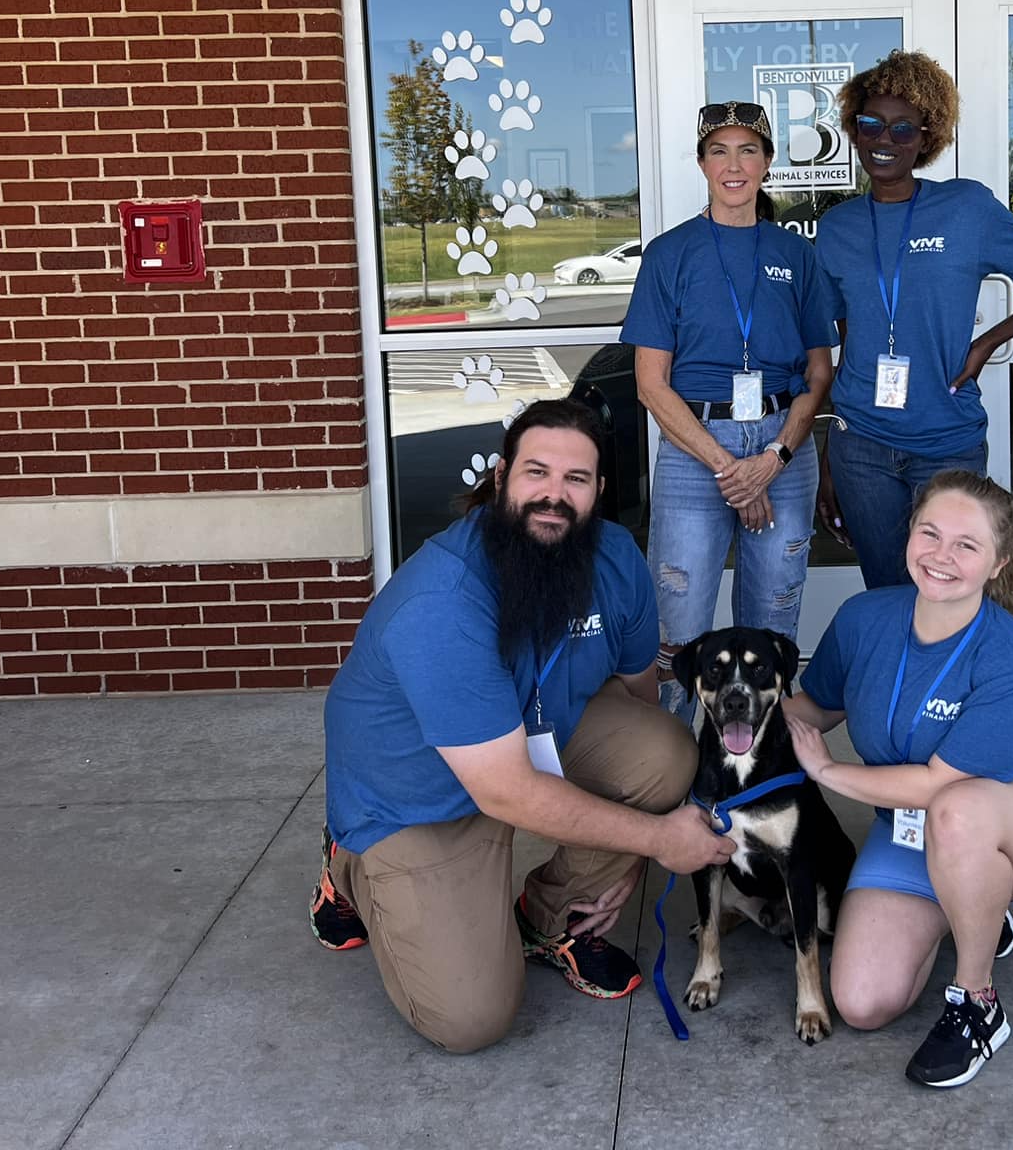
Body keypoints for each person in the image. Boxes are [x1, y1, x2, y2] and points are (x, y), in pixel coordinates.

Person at [311, 398, 734, 1053]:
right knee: (469, 1019)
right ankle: (348, 864)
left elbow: (639, 692)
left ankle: (551, 921)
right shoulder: (441, 601)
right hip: (418, 798)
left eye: (576, 479)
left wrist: (626, 844)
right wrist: (654, 838)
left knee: (664, 755)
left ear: (599, 490)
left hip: (529, 742)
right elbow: (504, 790)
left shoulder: (616, 558)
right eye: (537, 472)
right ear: (503, 476)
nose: (554, 497)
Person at [783, 471, 1013, 1089]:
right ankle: (973, 900)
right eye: (930, 533)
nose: (941, 556)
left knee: (958, 811)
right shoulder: (864, 617)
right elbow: (815, 708)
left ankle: (977, 1002)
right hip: (911, 827)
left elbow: (935, 786)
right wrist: (738, 718)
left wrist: (828, 770)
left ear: (999, 562)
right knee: (862, 1002)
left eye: (966, 545)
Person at [813, 50, 1013, 589]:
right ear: (853, 129)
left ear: (925, 137)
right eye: (870, 124)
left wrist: (985, 344)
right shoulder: (837, 227)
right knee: (887, 589)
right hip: (861, 443)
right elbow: (842, 341)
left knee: (948, 587)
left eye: (902, 128)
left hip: (946, 438)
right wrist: (829, 459)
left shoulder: (967, 209)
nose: (884, 139)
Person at [621, 100, 837, 719]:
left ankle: (757, 770)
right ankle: (669, 774)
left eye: (748, 150)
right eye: (719, 151)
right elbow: (651, 385)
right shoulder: (670, 254)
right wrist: (732, 471)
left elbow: (819, 372)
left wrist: (770, 459)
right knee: (679, 626)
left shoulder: (796, 255)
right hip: (697, 446)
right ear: (701, 163)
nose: (734, 165)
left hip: (782, 446)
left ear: (768, 164)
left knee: (772, 622)